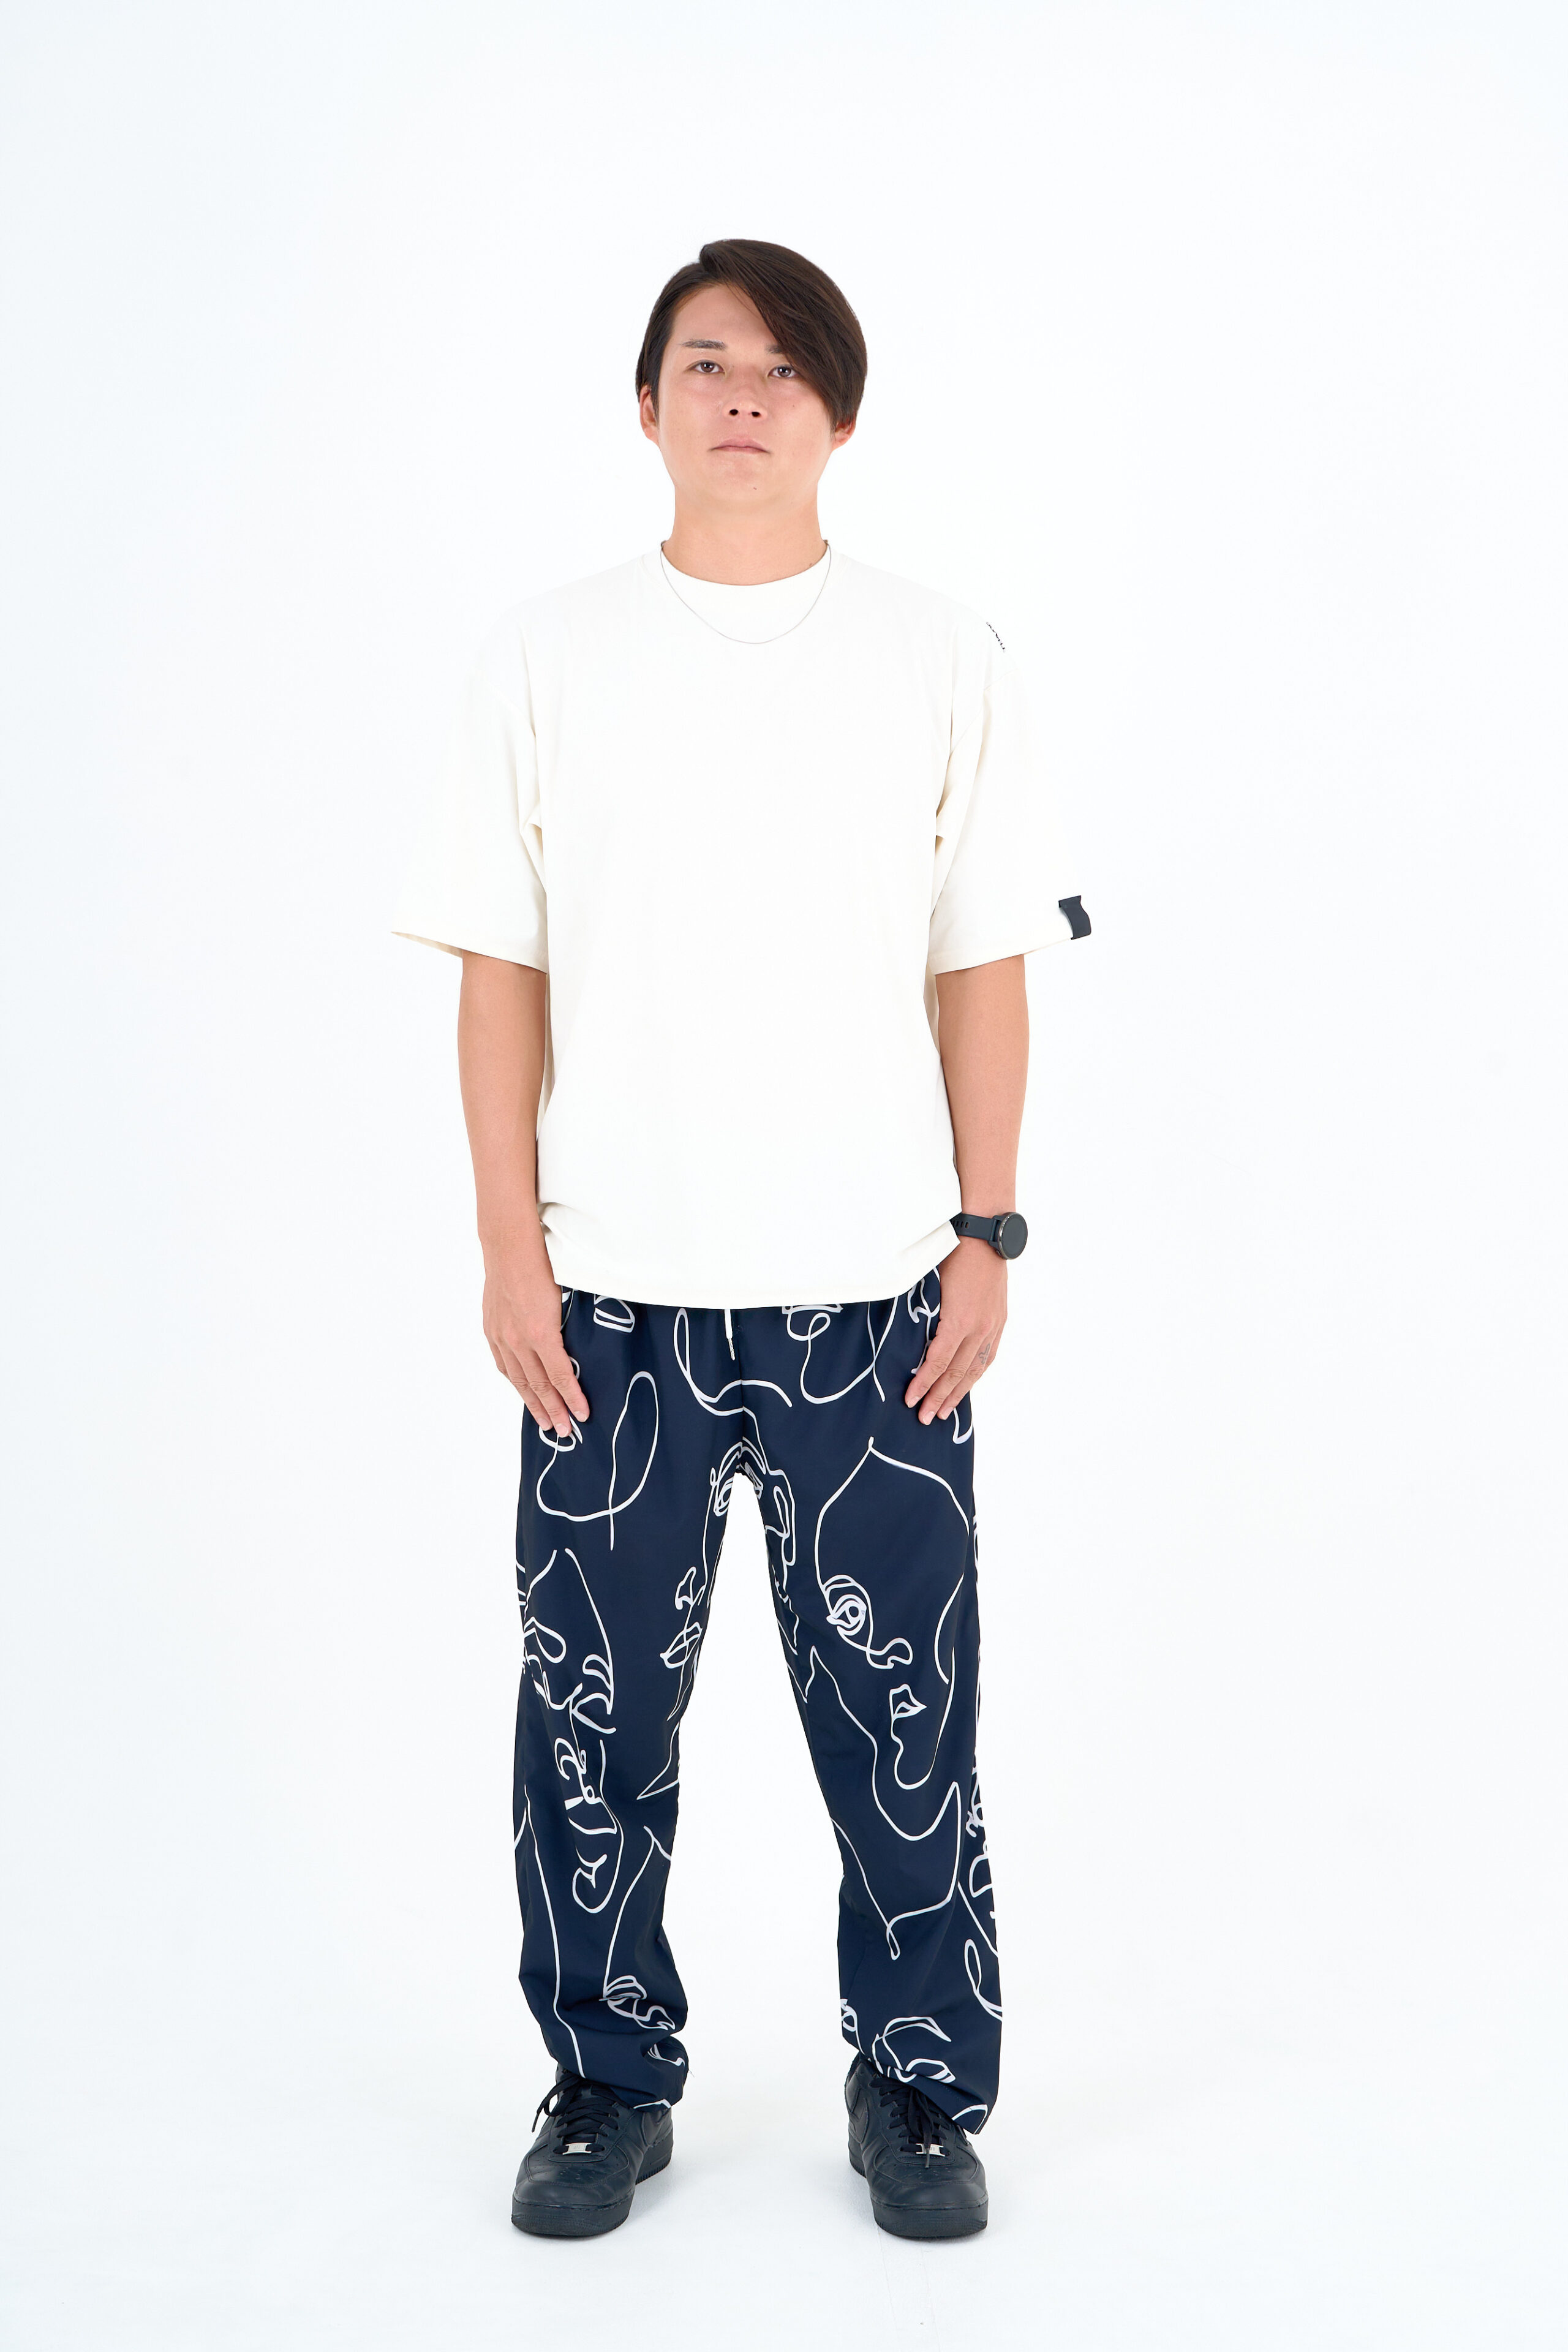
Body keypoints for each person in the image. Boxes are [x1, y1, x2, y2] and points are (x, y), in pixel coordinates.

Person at [390, 237, 1091, 2243]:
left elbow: (983, 963)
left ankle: (920, 2084)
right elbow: (501, 973)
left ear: (840, 413)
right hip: (611, 1294)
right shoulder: (545, 657)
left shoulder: (940, 653)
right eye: (705, 364)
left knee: (904, 1716)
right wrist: (508, 1246)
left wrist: (987, 1230)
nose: (745, 398)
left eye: (785, 368)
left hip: (875, 1291)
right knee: (590, 1715)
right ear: (646, 406)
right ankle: (606, 2081)